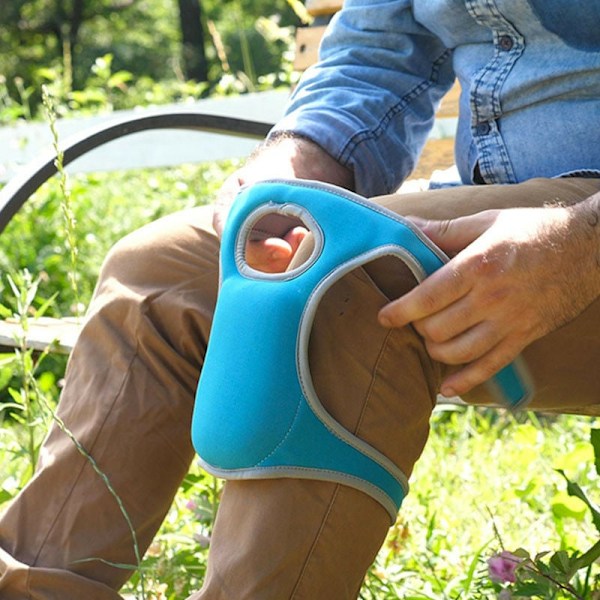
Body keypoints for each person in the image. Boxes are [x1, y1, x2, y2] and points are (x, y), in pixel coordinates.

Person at [1, 0, 599, 598]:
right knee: (161, 274)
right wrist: (294, 160)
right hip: (494, 207)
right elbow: (377, 50)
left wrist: (581, 246)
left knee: (346, 287)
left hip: (583, 224)